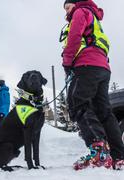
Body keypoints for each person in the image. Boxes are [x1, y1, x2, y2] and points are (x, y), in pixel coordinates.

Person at [61, 0, 124, 170]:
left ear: (76, 3)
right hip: (103, 68)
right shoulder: (94, 17)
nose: (66, 12)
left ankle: (98, 150)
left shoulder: (81, 12)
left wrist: (67, 63)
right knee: (104, 112)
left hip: (86, 66)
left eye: (68, 7)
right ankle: (118, 156)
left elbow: (74, 38)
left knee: (77, 103)